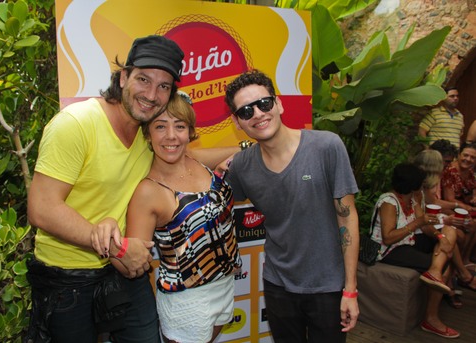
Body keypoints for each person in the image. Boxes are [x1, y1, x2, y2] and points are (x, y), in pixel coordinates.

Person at [26, 35, 235, 342]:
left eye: (164, 86)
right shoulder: (76, 124)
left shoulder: (147, 132)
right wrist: (116, 247)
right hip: (68, 276)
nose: (152, 94)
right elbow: (42, 208)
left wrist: (247, 149)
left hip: (124, 270)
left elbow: (188, 156)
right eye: (143, 79)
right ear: (123, 77)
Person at [223, 70, 360, 343]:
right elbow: (219, 200)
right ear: (237, 122)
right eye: (246, 111)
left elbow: (347, 219)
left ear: (279, 103)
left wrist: (350, 289)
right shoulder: (242, 165)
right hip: (278, 285)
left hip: (328, 286)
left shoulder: (326, 147)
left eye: (264, 103)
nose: (258, 114)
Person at [105, 92, 242, 343]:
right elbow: (132, 265)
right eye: (160, 126)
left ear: (190, 132)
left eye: (179, 126)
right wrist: (106, 240)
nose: (171, 135)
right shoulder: (148, 191)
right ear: (147, 134)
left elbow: (243, 153)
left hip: (224, 286)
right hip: (187, 300)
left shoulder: (196, 162)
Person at [370, 163, 459, 338]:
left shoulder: (410, 199)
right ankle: (431, 319)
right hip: (388, 250)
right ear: (412, 185)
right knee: (445, 264)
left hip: (406, 241)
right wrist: (418, 223)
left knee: (449, 232)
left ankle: (434, 271)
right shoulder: (389, 202)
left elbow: (425, 227)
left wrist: (441, 238)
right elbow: (388, 238)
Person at [412, 149, 476, 308]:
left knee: (455, 234)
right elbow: (422, 218)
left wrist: (448, 218)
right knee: (453, 237)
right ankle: (460, 276)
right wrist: (447, 220)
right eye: (443, 163)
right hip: (417, 232)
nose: (445, 167)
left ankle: (452, 277)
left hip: (429, 225)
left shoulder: (428, 183)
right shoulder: (418, 188)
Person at [441, 141, 476, 272]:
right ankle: (459, 265)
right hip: (449, 208)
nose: (468, 159)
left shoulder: (470, 172)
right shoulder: (450, 171)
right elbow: (449, 198)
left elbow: (470, 193)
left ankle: (466, 260)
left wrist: (473, 197)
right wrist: (469, 207)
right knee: (471, 224)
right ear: (459, 155)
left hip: (465, 207)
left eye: (473, 157)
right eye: (466, 155)